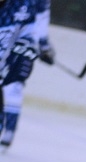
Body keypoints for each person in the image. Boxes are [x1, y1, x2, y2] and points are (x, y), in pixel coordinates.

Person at [0, 0, 54, 151]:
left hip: (7, 58)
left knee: (14, 86)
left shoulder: (24, 4)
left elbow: (37, 22)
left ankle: (9, 132)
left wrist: (37, 46)